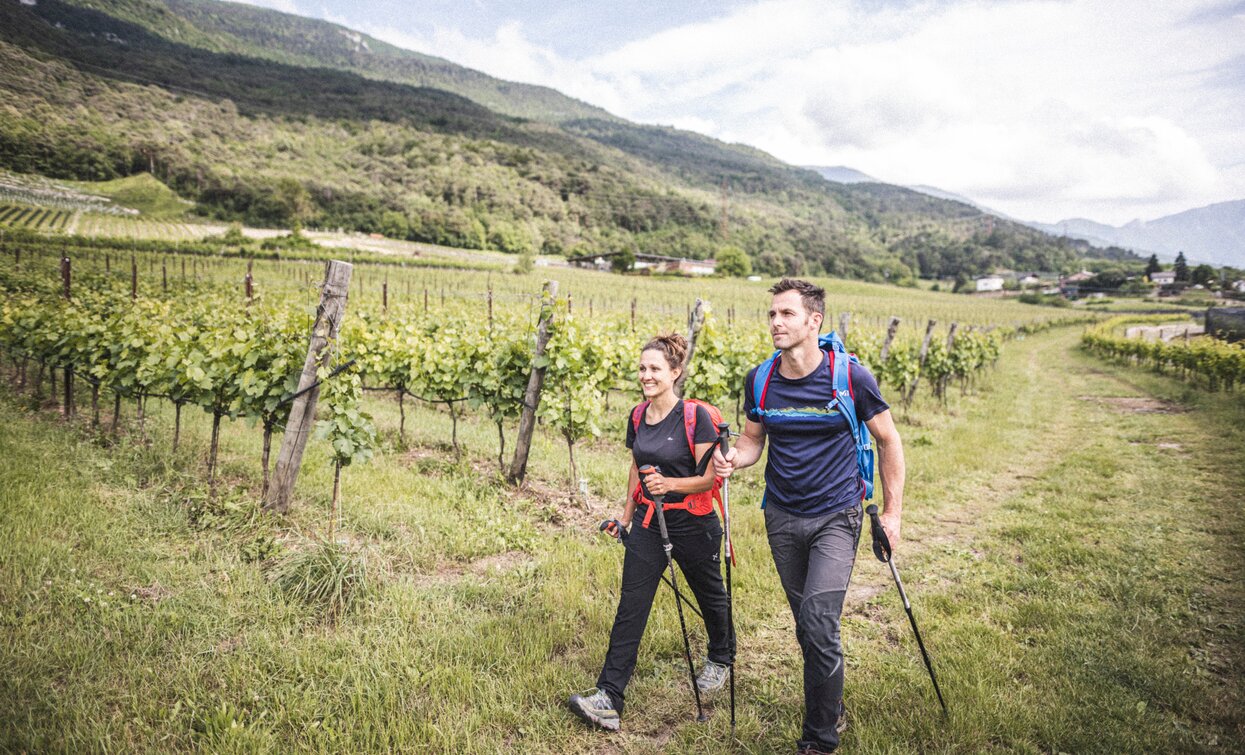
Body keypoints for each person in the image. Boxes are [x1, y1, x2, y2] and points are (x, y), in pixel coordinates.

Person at [714, 278, 905, 754]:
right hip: (781, 516)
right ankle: (831, 702)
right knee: (807, 624)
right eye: (772, 315)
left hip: (837, 516)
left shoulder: (850, 378)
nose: (776, 323)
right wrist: (733, 459)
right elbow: (753, 440)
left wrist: (894, 514)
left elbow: (889, 440)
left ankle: (819, 739)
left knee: (820, 621)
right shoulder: (761, 378)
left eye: (787, 314)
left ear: (813, 320)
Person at [567, 333, 734, 732]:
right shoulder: (638, 415)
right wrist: (624, 516)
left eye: (655, 369)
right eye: (642, 368)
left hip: (694, 521)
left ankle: (721, 657)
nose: (647, 375)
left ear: (675, 373)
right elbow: (636, 467)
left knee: (710, 596)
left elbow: (710, 479)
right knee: (631, 605)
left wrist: (671, 486)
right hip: (646, 522)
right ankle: (609, 696)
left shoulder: (697, 418)